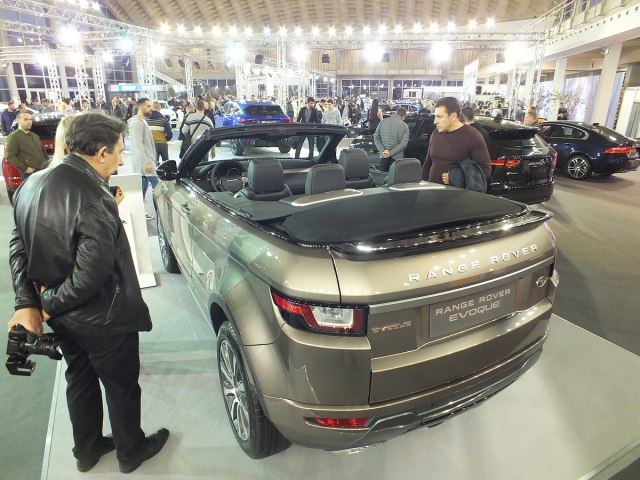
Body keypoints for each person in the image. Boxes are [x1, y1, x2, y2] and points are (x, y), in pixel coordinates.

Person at [8, 112, 169, 474]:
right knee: (121, 386)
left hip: (65, 319)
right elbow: (89, 277)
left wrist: (29, 301)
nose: (121, 160)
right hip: (103, 317)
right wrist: (43, 307)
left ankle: (87, 448)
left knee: (79, 378)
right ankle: (131, 452)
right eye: (119, 151)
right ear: (100, 153)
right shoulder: (95, 199)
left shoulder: (32, 185)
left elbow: (18, 248)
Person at [421, 97, 491, 188]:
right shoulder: (436, 133)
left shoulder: (472, 136)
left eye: (439, 116)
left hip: (457, 194)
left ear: (453, 116)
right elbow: (428, 163)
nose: (435, 121)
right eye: (435, 116)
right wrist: (422, 185)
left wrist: (456, 177)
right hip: (432, 190)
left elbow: (485, 170)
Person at [128, 98, 158, 219]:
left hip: (146, 163)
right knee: (157, 187)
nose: (151, 109)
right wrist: (146, 162)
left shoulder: (142, 121)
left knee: (142, 190)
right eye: (148, 106)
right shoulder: (137, 123)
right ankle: (160, 212)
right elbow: (138, 144)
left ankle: (138, 213)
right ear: (141, 107)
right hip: (145, 164)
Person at [5, 112, 50, 180]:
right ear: (18, 121)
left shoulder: (35, 136)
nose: (29, 122)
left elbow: (43, 152)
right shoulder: (13, 137)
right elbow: (10, 156)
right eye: (25, 119)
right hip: (29, 174)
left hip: (43, 171)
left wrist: (48, 164)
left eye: (30, 119)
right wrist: (25, 169)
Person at [373, 106, 410, 170]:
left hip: (384, 156)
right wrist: (390, 153)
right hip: (397, 158)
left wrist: (383, 151)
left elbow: (376, 138)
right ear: (403, 116)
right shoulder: (404, 126)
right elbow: (403, 144)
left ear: (396, 113)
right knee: (394, 175)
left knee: (381, 174)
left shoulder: (383, 122)